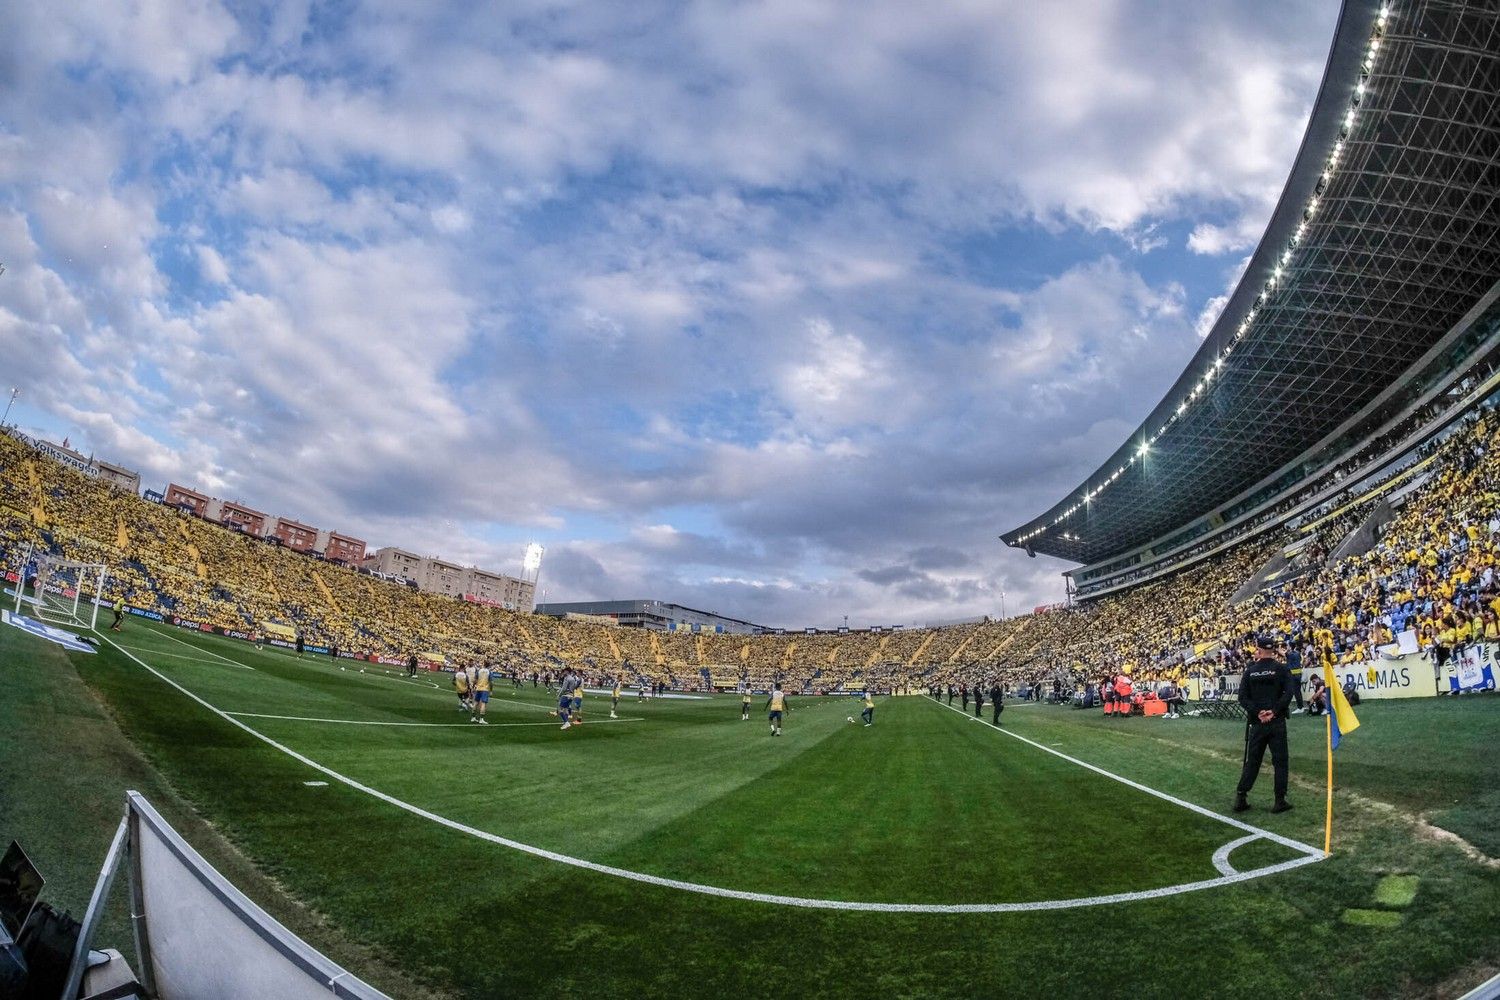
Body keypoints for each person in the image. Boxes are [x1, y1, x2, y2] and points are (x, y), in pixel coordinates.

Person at [1235, 636, 1296, 814]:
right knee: (1280, 761)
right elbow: (1289, 693)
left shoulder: (1250, 671)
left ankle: (1241, 796)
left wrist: (1258, 712)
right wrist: (1274, 711)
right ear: (1274, 650)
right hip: (1277, 722)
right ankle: (1279, 800)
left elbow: (1242, 698)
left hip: (1257, 723)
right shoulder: (1282, 669)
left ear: (1258, 650)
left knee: (1253, 761)